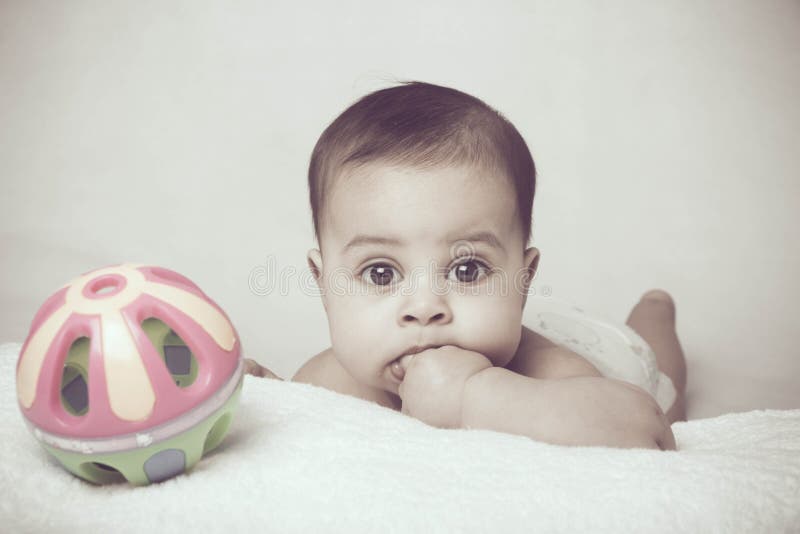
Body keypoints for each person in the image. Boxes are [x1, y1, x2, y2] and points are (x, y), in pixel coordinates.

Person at [247, 81, 687, 450]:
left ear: (523, 280)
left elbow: (647, 430)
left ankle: (654, 310)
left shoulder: (552, 374)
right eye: (381, 273)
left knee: (659, 367)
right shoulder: (328, 380)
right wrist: (267, 398)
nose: (424, 307)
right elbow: (302, 436)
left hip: (612, 352)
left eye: (467, 270)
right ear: (324, 286)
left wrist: (473, 398)